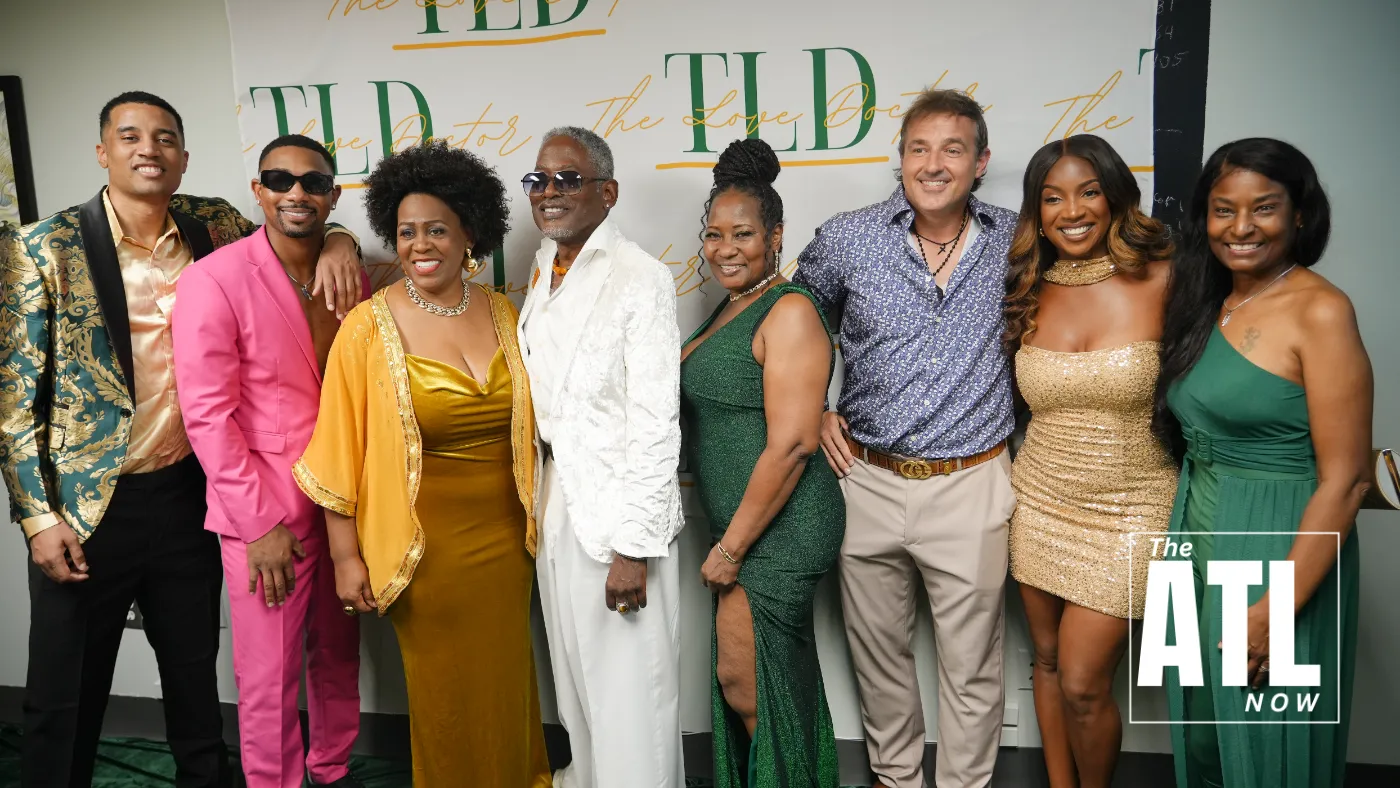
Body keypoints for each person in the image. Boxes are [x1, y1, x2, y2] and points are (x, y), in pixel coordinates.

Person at [0, 91, 363, 788]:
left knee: (195, 675)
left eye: (165, 137)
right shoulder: (43, 246)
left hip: (187, 490)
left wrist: (343, 240)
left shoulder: (212, 223)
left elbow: (295, 218)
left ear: (184, 157)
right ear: (102, 151)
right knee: (65, 686)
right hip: (89, 503)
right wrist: (38, 517)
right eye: (130, 136)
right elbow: (14, 398)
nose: (149, 149)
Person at [293, 139, 550, 788]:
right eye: (406, 232)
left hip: (508, 543)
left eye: (436, 229)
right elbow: (338, 452)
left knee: (506, 685)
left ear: (469, 234)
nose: (420, 245)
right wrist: (346, 558)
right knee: (443, 699)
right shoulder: (367, 328)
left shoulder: (503, 311)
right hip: (421, 549)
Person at [792, 87, 1018, 788]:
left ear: (980, 162)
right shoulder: (848, 237)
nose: (933, 164)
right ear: (901, 158)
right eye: (919, 148)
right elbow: (795, 318)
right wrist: (815, 407)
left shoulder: (1020, 240)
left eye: (952, 149)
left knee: (972, 667)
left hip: (972, 480)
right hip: (867, 479)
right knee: (879, 660)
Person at [1153, 138, 1369, 788]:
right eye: (1224, 209)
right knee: (1203, 738)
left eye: (1264, 208)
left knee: (1262, 744)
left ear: (1300, 215)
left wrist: (1276, 607)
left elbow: (1347, 480)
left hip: (1279, 541)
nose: (1241, 227)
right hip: (1195, 532)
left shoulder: (1321, 310)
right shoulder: (1205, 298)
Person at [171, 135, 369, 788]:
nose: (296, 192)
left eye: (313, 182)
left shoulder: (352, 274)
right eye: (280, 180)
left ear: (332, 196)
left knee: (339, 657)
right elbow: (208, 416)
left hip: (343, 506)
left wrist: (342, 243)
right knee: (268, 677)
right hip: (265, 514)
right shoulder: (212, 280)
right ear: (258, 191)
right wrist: (257, 525)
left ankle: (332, 770)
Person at [1001, 134, 1176, 788]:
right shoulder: (1026, 287)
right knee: (1046, 662)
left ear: (1116, 197)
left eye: (1088, 192)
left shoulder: (1168, 278)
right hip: (1039, 499)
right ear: (1037, 212)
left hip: (1134, 507)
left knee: (1081, 680)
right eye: (1052, 198)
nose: (1071, 211)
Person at [517, 126, 684, 788]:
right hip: (557, 505)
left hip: (617, 520)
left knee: (631, 704)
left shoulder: (640, 277)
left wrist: (633, 547)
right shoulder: (544, 266)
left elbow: (656, 420)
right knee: (577, 694)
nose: (549, 191)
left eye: (567, 178)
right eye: (539, 180)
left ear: (607, 193)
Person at [681, 138, 845, 787]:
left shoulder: (791, 309)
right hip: (748, 524)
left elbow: (794, 444)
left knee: (747, 682)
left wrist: (732, 548)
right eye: (714, 234)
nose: (725, 248)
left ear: (776, 237)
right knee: (768, 682)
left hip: (782, 525)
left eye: (743, 234)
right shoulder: (736, 303)